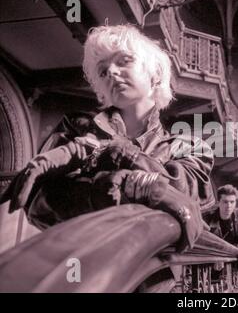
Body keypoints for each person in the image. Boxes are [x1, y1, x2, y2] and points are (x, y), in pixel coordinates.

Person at [0, 24, 218, 292]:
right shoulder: (75, 127)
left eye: (124, 61)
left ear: (155, 73)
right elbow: (40, 203)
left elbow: (183, 196)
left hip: (151, 281)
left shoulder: (192, 147)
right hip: (78, 274)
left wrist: (115, 154)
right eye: (103, 71)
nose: (111, 72)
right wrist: (114, 185)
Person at [203, 184, 238, 291]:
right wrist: (216, 259)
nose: (228, 206)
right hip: (211, 266)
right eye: (225, 202)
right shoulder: (207, 217)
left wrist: (224, 257)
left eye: (232, 202)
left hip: (235, 265)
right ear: (218, 202)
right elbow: (203, 244)